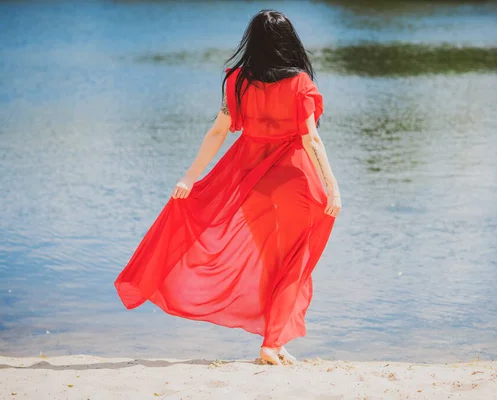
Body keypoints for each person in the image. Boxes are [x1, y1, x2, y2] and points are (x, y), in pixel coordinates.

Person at [114, 9, 341, 366]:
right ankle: (271, 344)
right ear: (288, 42)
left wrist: (190, 176)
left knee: (271, 262)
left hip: (251, 180)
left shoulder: (238, 81)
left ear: (252, 41)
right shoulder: (299, 83)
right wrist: (333, 187)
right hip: (296, 179)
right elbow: (311, 139)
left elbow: (218, 131)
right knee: (295, 261)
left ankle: (275, 340)